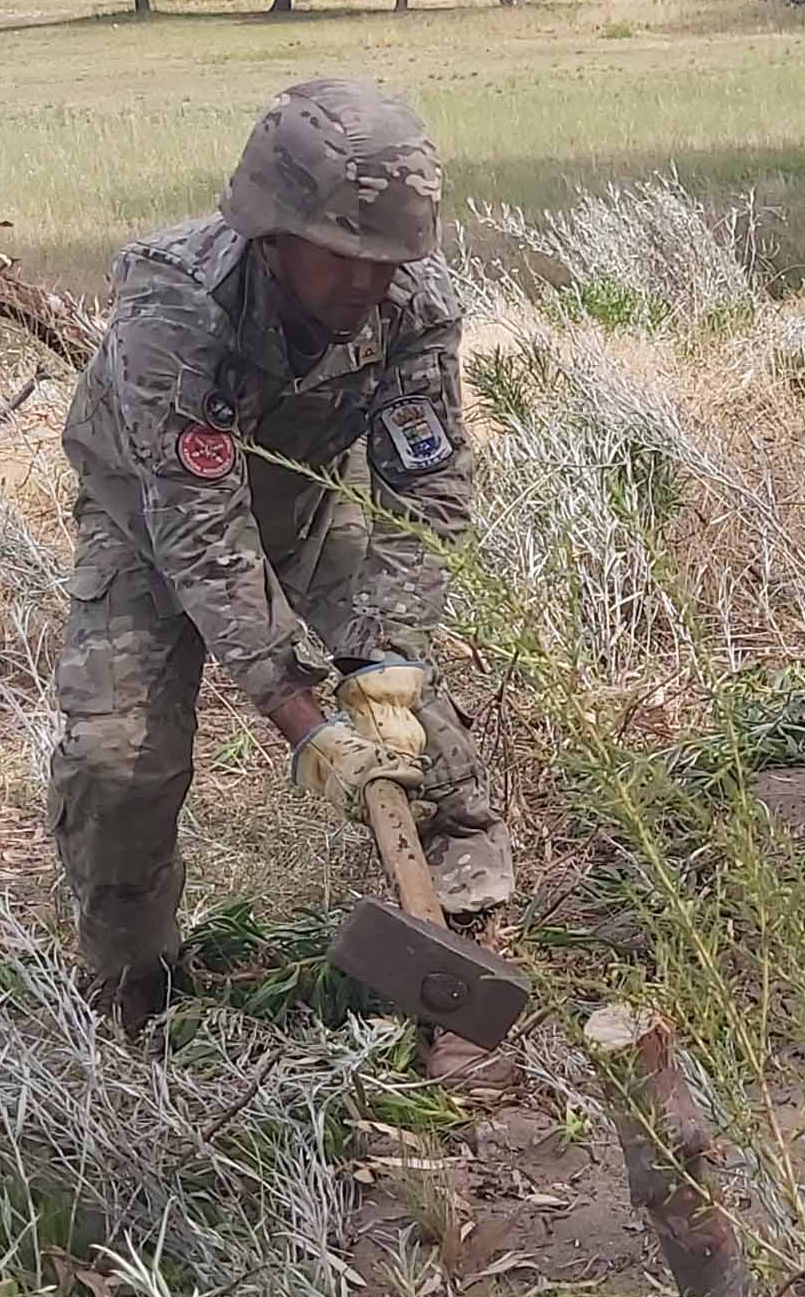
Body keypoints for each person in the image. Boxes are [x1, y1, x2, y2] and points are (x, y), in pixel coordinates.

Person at [49, 78, 506, 1032]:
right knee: (117, 761)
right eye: (342, 257)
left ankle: (460, 950)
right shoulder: (175, 306)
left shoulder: (409, 305)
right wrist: (303, 721)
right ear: (273, 230)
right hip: (147, 521)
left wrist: (387, 659)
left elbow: (424, 489)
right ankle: (134, 985)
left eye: (386, 260)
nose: (366, 284)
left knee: (425, 747)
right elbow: (199, 532)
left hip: (300, 499)